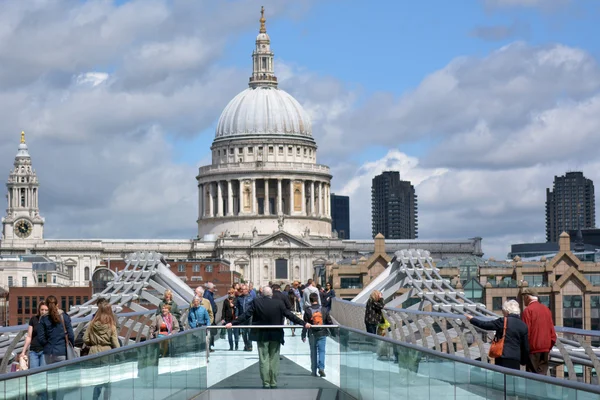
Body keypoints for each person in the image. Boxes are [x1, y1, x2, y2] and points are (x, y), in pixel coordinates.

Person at [226, 286, 310, 389]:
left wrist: (232, 323)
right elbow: (290, 315)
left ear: (262, 294)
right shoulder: (279, 303)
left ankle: (266, 383)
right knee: (274, 359)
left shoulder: (256, 302)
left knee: (264, 359)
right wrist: (303, 323)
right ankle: (273, 382)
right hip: (276, 334)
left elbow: (246, 315)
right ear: (271, 294)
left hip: (261, 335)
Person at [466, 300, 530, 370]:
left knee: (501, 378)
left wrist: (472, 319)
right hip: (515, 358)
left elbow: (485, 325)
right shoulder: (523, 325)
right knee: (513, 379)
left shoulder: (503, 321)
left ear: (507, 311)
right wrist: (523, 361)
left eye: (503, 311)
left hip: (502, 355)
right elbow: (525, 346)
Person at [84, 302, 120, 400]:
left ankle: (95, 398)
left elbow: (85, 338)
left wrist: (92, 343)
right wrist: (120, 353)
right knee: (107, 381)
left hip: (94, 352)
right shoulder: (111, 325)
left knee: (98, 380)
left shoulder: (92, 324)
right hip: (107, 352)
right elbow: (115, 343)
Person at [521, 287, 557, 375]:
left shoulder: (528, 311)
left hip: (533, 350)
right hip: (545, 349)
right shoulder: (546, 310)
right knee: (542, 376)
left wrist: (524, 351)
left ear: (527, 297)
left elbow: (525, 333)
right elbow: (552, 333)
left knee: (532, 379)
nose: (523, 301)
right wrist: (549, 348)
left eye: (523, 298)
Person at [302, 292, 335, 377]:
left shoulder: (308, 310)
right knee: (322, 351)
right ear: (317, 299)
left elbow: (305, 324)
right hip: (322, 332)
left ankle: (314, 371)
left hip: (312, 333)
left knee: (313, 352)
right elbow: (329, 321)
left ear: (310, 300)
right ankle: (321, 368)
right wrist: (333, 332)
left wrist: (303, 335)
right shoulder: (324, 309)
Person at [38, 295, 75, 365]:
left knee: (50, 375)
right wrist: (71, 346)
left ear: (46, 305)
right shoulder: (64, 316)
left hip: (49, 353)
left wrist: (47, 345)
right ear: (57, 304)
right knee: (62, 375)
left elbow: (40, 338)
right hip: (62, 351)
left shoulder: (43, 319)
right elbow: (71, 335)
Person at [21, 301, 48, 369]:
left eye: (46, 310)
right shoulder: (33, 319)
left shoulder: (49, 321)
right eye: (42, 309)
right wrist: (23, 352)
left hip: (45, 351)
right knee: (33, 374)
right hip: (33, 351)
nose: (43, 312)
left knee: (43, 373)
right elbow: (29, 336)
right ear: (39, 309)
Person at [236, 284, 254, 351]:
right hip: (242, 317)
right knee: (244, 332)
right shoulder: (239, 298)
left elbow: (254, 307)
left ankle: (250, 346)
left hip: (249, 317)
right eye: (242, 289)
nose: (242, 291)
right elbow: (237, 307)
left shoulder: (251, 297)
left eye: (243, 289)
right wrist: (237, 315)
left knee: (249, 332)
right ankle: (246, 345)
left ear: (247, 290)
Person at [204, 282, 219, 352]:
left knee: (210, 332)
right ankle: (208, 347)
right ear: (210, 288)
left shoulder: (209, 294)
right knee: (209, 332)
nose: (214, 289)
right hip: (209, 317)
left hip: (211, 316)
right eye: (213, 287)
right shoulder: (207, 295)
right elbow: (207, 306)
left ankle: (209, 346)